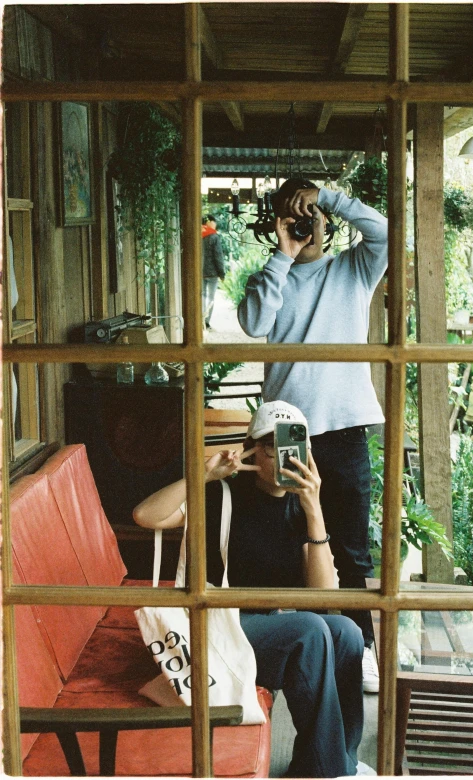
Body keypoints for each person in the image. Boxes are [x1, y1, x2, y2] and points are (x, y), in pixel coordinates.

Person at [134, 400, 374, 778]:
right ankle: (327, 772)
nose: (284, 456)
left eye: (295, 445)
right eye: (271, 445)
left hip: (272, 630)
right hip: (220, 629)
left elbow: (326, 599)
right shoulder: (222, 496)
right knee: (309, 632)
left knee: (346, 633)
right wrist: (204, 475)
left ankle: (335, 762)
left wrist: (313, 509)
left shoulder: (304, 506)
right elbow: (146, 516)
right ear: (252, 450)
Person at [237, 179, 388, 694]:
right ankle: (302, 638)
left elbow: (386, 232)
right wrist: (284, 254)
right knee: (289, 538)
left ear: (326, 216)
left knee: (351, 545)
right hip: (286, 429)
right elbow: (254, 322)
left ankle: (359, 645)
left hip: (344, 426)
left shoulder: (354, 268)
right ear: (277, 220)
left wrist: (331, 199)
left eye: (311, 213)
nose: (305, 221)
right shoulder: (272, 278)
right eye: (292, 213)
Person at [202, 214, 226, 329]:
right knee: (210, 298)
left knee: (201, 296)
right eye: (214, 222)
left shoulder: (197, 234)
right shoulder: (213, 236)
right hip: (212, 273)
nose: (215, 224)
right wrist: (222, 273)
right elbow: (218, 256)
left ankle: (199, 320)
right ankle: (206, 321)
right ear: (209, 222)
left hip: (199, 273)